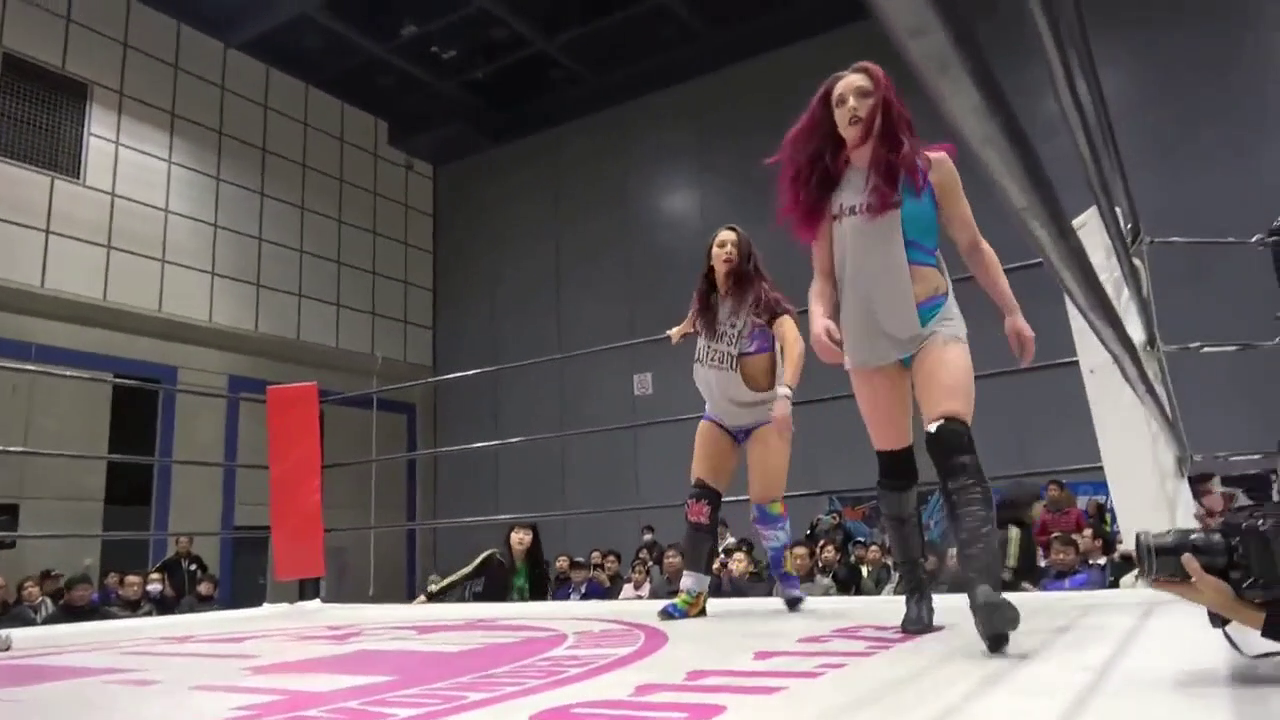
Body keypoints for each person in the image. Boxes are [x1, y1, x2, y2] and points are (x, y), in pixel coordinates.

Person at [769, 60, 1036, 653]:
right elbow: (822, 279)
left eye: (863, 95)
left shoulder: (930, 169)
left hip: (932, 317)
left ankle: (984, 591)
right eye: (840, 101)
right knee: (895, 468)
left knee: (951, 441)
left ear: (885, 103)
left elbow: (972, 243)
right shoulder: (830, 191)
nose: (851, 106)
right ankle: (915, 589)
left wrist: (1012, 310)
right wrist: (819, 316)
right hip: (868, 336)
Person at [661, 224, 806, 620]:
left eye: (734, 245)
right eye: (720, 244)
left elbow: (794, 342)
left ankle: (785, 574)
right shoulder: (705, 302)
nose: (727, 250)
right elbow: (695, 319)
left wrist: (785, 393)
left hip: (762, 415)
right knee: (700, 503)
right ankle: (693, 594)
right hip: (719, 414)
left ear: (745, 256)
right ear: (710, 256)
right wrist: (681, 330)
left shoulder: (762, 301)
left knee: (765, 506)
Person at [414, 523, 551, 603]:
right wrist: (429, 595)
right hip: (493, 614)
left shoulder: (539, 567)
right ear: (509, 536)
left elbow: (545, 597)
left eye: (527, 534)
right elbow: (462, 575)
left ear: (533, 540)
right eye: (516, 532)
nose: (521, 537)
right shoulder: (494, 558)